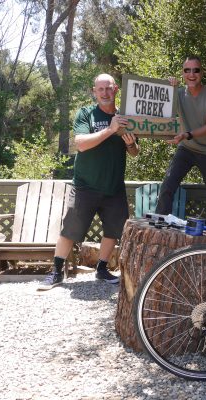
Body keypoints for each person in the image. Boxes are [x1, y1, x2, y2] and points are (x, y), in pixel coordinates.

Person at [40, 73, 140, 290]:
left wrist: (131, 144)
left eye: (109, 88)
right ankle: (56, 272)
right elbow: (81, 144)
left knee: (114, 230)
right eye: (100, 89)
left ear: (116, 90)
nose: (105, 93)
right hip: (85, 185)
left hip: (114, 187)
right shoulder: (86, 114)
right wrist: (110, 130)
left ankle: (102, 270)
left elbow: (134, 152)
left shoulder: (126, 116)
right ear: (94, 91)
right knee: (71, 229)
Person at [155, 56, 206, 224]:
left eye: (196, 70)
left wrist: (186, 134)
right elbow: (159, 106)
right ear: (182, 73)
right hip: (186, 149)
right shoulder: (177, 94)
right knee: (167, 186)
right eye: (187, 70)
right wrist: (169, 87)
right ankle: (160, 222)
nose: (192, 74)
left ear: (202, 73)